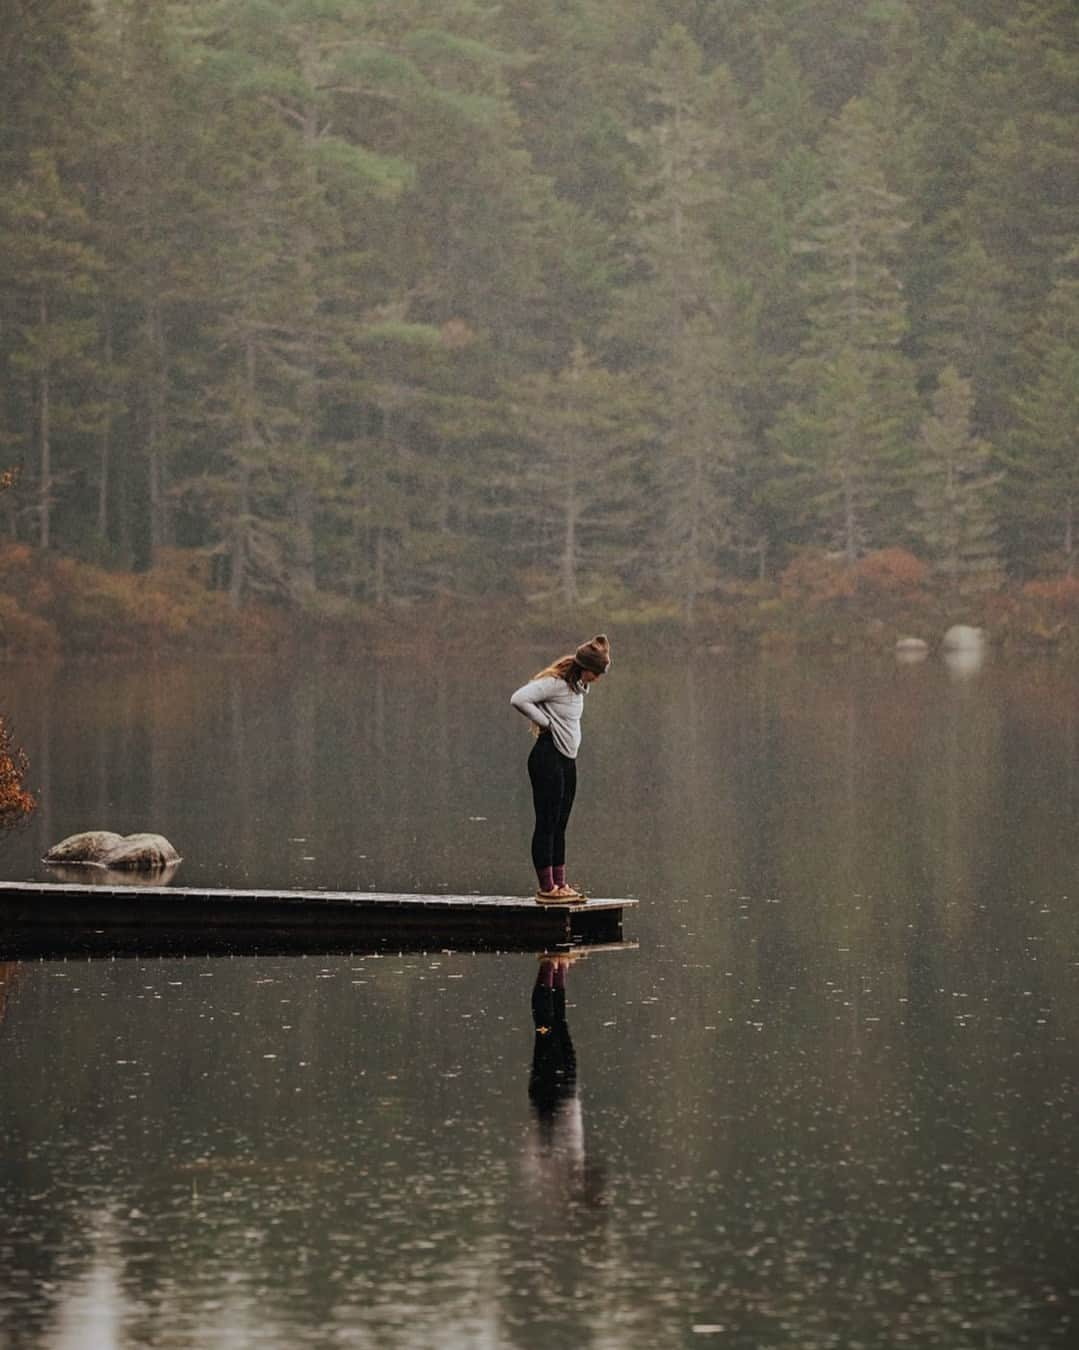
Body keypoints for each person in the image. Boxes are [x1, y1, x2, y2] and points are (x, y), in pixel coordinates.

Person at [510, 634, 610, 902]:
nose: (597, 679)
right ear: (584, 667)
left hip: (566, 759)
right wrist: (546, 722)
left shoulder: (577, 688)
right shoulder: (554, 684)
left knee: (561, 824)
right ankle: (547, 889)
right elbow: (518, 698)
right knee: (547, 822)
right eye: (596, 672)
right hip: (547, 757)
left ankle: (560, 885)